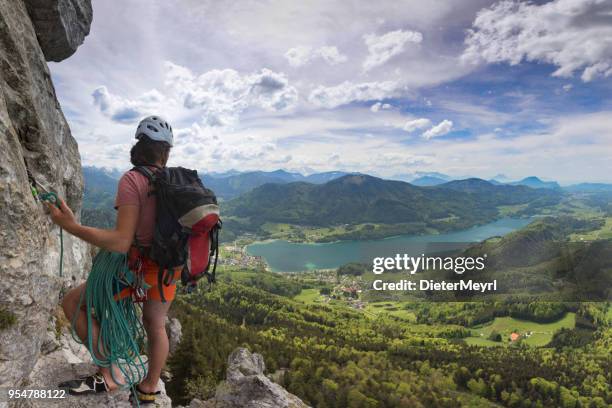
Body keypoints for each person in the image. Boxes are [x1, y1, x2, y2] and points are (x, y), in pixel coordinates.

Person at [47, 115, 177, 402]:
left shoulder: (133, 179)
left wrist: (71, 227)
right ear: (166, 152)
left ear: (138, 147)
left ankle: (109, 376)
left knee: (72, 303)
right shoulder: (174, 182)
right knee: (156, 324)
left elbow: (121, 241)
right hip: (168, 268)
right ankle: (149, 390)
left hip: (132, 268)